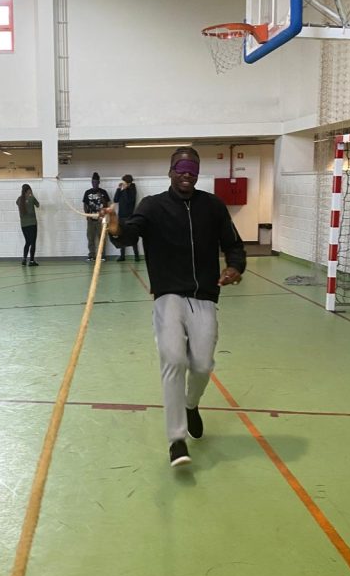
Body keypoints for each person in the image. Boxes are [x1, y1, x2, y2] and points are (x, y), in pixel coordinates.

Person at [104, 147, 246, 468]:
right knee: (173, 359)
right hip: (167, 296)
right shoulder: (152, 206)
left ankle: (191, 404)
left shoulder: (213, 206)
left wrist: (235, 266)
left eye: (192, 169)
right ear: (170, 171)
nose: (186, 173)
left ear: (197, 173)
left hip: (204, 296)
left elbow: (233, 244)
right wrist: (115, 228)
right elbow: (129, 234)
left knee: (202, 365)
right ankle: (176, 439)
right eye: (181, 167)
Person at [82, 172, 110, 261]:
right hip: (91, 218)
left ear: (99, 182)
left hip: (100, 219)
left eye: (96, 182)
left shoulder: (103, 192)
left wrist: (101, 197)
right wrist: (86, 214)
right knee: (90, 237)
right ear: (91, 182)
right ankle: (91, 255)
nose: (95, 184)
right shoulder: (87, 192)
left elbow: (106, 205)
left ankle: (102, 255)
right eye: (93, 182)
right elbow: (85, 204)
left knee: (102, 238)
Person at [113, 174, 140, 262]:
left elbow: (129, 201)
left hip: (129, 216)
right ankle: (122, 256)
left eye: (124, 182)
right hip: (121, 216)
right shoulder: (122, 189)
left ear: (128, 183)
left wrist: (125, 189)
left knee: (132, 235)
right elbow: (115, 199)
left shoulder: (132, 189)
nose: (123, 184)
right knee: (121, 235)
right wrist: (118, 189)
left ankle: (136, 255)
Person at [16, 184, 40, 266]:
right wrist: (31, 195)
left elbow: (17, 203)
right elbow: (38, 205)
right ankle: (31, 261)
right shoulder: (31, 198)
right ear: (29, 190)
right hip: (32, 223)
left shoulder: (19, 199)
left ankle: (24, 259)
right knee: (33, 242)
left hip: (23, 225)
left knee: (27, 242)